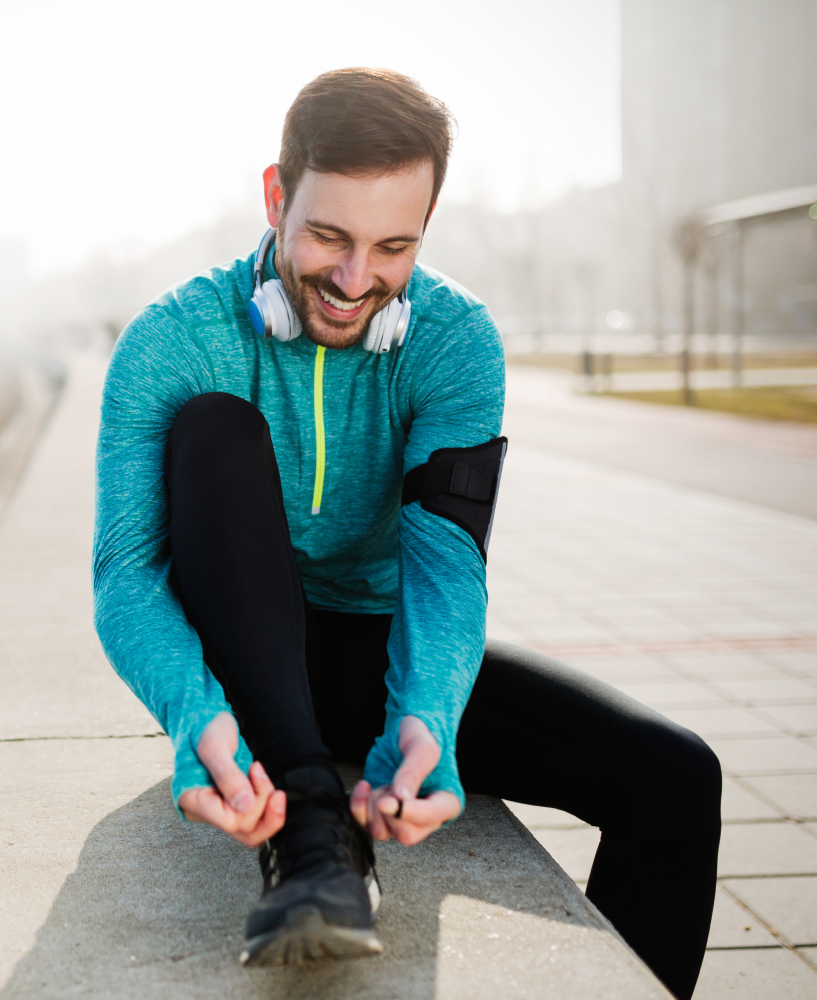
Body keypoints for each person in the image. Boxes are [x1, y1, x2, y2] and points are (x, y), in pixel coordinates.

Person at [93, 67, 721, 998]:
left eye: (393, 247)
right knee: (215, 427)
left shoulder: (454, 340)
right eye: (328, 237)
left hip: (361, 653)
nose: (356, 283)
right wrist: (195, 716)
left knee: (675, 777)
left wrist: (426, 715)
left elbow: (446, 561)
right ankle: (312, 834)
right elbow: (127, 573)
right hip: (234, 655)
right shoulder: (173, 340)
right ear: (276, 195)